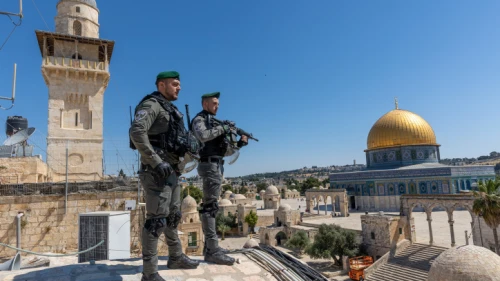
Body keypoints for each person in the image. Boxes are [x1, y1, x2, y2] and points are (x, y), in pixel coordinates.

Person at [130, 71, 200, 281]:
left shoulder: (170, 108)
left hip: (173, 171)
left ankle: (176, 256)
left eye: (179, 84)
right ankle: (149, 273)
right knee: (156, 222)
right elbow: (137, 132)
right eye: (175, 84)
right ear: (162, 85)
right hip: (156, 172)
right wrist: (156, 161)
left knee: (173, 216)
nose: (179, 88)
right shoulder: (152, 105)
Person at [191, 92, 248, 265]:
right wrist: (223, 128)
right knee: (210, 207)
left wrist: (239, 144)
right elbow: (203, 136)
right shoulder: (200, 120)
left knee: (212, 206)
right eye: (214, 103)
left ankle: (210, 247)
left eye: (218, 103)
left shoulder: (214, 123)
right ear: (205, 104)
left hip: (216, 165)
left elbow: (224, 151)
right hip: (208, 165)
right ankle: (212, 250)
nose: (218, 106)